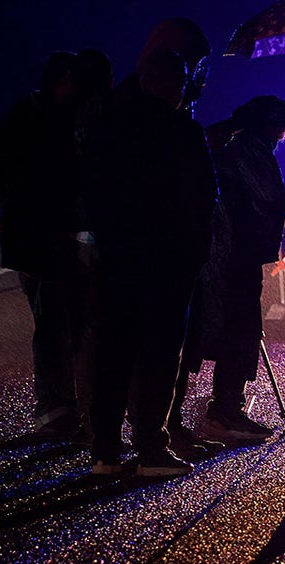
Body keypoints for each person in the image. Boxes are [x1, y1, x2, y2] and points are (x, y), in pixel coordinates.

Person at [82, 37, 217, 477]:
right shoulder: (184, 132)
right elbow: (202, 198)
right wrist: (197, 253)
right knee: (159, 354)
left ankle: (104, 448)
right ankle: (151, 447)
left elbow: (88, 190)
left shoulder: (110, 128)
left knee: (112, 350)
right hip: (168, 258)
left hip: (117, 255)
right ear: (178, 87)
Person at [173, 96, 285, 445]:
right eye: (282, 132)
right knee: (235, 332)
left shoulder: (229, 144)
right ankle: (223, 411)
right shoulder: (249, 149)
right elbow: (271, 196)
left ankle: (198, 413)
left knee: (208, 333)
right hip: (232, 256)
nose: (281, 139)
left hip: (219, 255)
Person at [0, 51, 93, 443]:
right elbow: (12, 189)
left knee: (76, 326)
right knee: (53, 325)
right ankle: (55, 410)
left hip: (67, 237)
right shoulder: (28, 119)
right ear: (59, 79)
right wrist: (22, 250)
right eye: (71, 81)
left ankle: (71, 408)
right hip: (41, 242)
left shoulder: (66, 116)